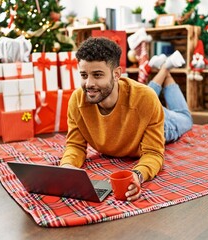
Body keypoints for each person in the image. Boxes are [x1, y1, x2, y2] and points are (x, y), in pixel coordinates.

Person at [60, 37, 192, 201]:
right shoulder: (77, 100)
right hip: (136, 105)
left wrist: (138, 174)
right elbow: (75, 146)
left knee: (185, 118)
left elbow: (153, 153)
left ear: (116, 74)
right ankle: (164, 69)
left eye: (97, 75)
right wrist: (67, 167)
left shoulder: (145, 99)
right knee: (144, 94)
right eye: (84, 75)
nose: (89, 83)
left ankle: (165, 70)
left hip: (163, 126)